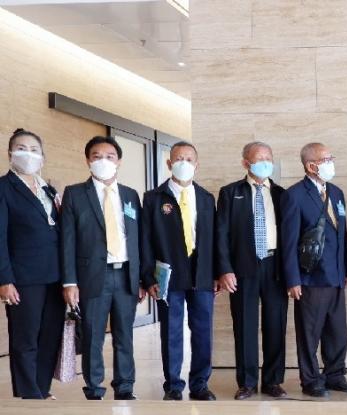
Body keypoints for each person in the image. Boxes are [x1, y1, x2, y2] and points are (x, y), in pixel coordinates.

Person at [60, 136, 146, 400]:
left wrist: (142, 278)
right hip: (92, 276)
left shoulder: (130, 195)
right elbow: (67, 241)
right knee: (93, 336)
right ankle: (94, 388)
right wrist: (70, 282)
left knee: (124, 335)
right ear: (88, 160)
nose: (103, 161)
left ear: (119, 161)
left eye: (110, 156)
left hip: (126, 275)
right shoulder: (75, 193)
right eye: (96, 156)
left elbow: (139, 239)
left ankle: (125, 386)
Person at [140, 142, 217, 401]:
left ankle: (200, 384)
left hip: (202, 273)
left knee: (203, 331)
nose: (184, 163)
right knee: (172, 331)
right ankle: (173, 385)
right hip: (169, 275)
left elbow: (215, 239)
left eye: (189, 159)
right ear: (169, 163)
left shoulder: (206, 198)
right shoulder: (153, 198)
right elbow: (145, 241)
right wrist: (148, 276)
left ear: (197, 164)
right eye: (178, 158)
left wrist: (217, 273)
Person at [280, 142, 347, 398]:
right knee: (309, 333)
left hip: (335, 276)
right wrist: (293, 279)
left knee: (337, 331)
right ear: (311, 166)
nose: (330, 163)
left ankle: (335, 375)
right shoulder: (294, 195)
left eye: (331, 158)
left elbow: (341, 235)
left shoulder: (336, 192)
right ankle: (311, 379)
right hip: (310, 278)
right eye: (326, 159)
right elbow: (289, 242)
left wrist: (346, 269)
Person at [215, 142, 288, 400]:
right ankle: (246, 383)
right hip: (242, 268)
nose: (265, 162)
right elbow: (221, 234)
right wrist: (225, 269)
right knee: (244, 325)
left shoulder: (281, 194)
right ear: (246, 163)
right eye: (259, 158)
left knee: (275, 324)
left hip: (275, 266)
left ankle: (272, 381)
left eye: (268, 158)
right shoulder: (230, 193)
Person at [0, 129, 65, 399]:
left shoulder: (48, 189)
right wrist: (4, 279)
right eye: (21, 148)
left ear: (42, 156)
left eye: (34, 149)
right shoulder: (4, 188)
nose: (28, 154)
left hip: (56, 275)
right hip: (24, 278)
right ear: (10, 154)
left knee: (50, 337)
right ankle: (28, 396)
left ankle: (41, 389)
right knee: (25, 339)